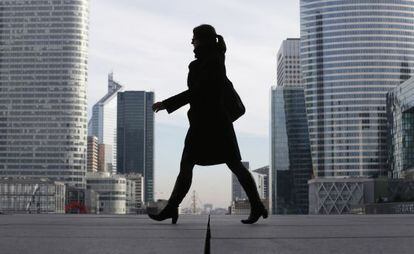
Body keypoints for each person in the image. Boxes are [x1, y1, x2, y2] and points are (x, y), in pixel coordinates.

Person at [149, 24, 267, 224]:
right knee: (226, 164)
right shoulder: (211, 60)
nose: (191, 42)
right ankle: (256, 206)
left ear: (202, 40)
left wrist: (167, 103)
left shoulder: (212, 61)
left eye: (194, 38)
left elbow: (199, 91)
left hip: (209, 124)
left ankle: (171, 209)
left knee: (193, 164)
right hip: (214, 123)